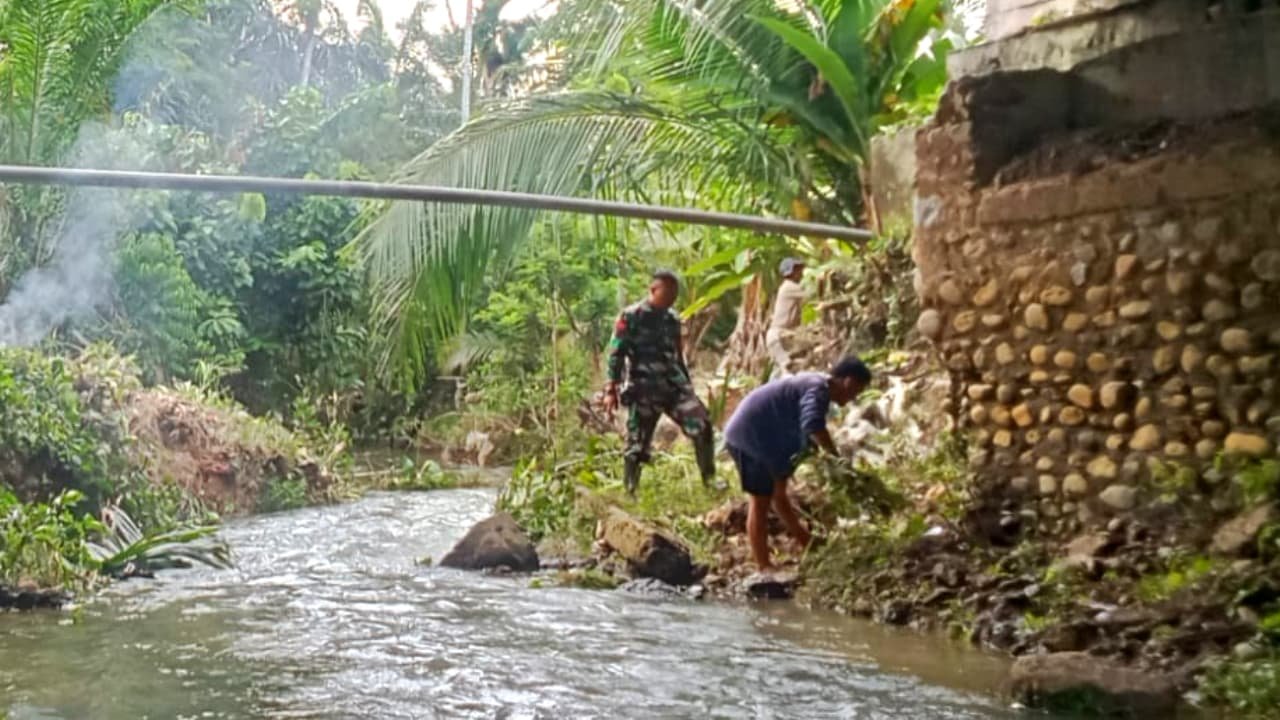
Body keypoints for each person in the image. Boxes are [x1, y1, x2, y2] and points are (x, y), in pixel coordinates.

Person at [723, 356, 871, 572]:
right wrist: (835, 458)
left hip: (768, 443)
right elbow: (813, 425)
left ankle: (806, 541)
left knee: (779, 495)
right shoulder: (818, 388)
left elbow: (805, 426)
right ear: (848, 382)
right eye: (856, 391)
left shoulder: (816, 385)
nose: (853, 398)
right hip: (750, 438)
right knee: (760, 502)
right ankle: (764, 567)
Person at [602, 270, 716, 495]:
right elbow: (617, 353)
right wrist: (611, 389)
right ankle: (630, 491)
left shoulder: (672, 319)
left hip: (674, 387)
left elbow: (678, 355)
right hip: (644, 388)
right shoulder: (631, 316)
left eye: (675, 293)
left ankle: (710, 480)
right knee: (637, 444)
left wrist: (688, 385)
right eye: (668, 292)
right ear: (653, 290)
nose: (673, 297)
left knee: (702, 426)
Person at [766, 257, 807, 378]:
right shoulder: (790, 287)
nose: (801, 273)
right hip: (779, 336)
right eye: (798, 270)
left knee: (778, 373)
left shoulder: (787, 287)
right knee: (788, 369)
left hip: (778, 336)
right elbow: (812, 293)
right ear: (791, 272)